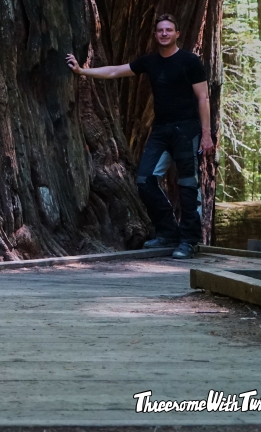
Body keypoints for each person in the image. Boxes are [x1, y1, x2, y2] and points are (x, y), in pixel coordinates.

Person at [65, 14, 214, 259]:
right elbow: (115, 72)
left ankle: (189, 240)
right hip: (161, 130)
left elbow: (203, 98)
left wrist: (206, 134)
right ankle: (168, 232)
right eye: (160, 30)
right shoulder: (150, 62)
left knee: (188, 183)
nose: (164, 33)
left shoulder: (190, 61)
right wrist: (82, 71)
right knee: (144, 180)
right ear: (156, 35)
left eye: (169, 30)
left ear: (177, 34)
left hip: (187, 130)